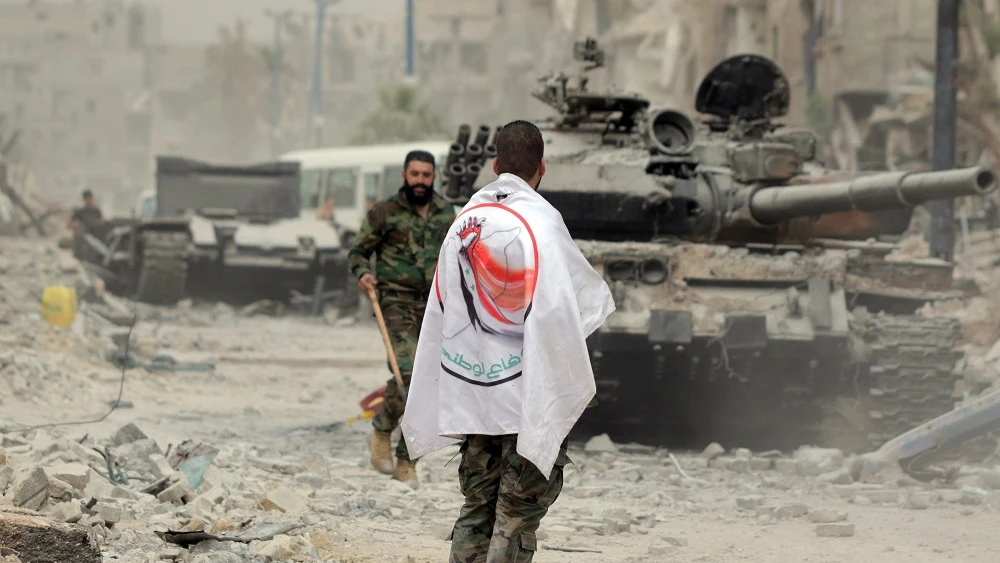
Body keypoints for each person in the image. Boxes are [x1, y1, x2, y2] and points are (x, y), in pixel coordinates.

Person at [401, 120, 615, 562]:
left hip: (474, 393)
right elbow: (570, 308)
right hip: (524, 396)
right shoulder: (541, 222)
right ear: (543, 169)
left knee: (477, 507)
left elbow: (443, 309)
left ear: (495, 165)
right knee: (516, 515)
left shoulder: (463, 223)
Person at [348, 150, 457, 482]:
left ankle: (406, 459)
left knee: (431, 379)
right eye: (415, 174)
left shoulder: (445, 212)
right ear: (404, 175)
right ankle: (382, 430)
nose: (420, 181)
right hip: (395, 302)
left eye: (426, 175)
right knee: (407, 370)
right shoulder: (384, 212)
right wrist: (363, 273)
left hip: (436, 306)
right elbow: (358, 252)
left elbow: (456, 251)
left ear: (434, 176)